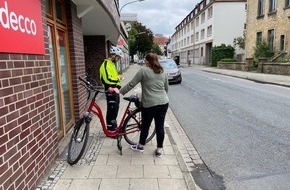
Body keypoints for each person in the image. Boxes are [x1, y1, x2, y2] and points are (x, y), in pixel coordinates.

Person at [119, 53, 169, 158]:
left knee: (145, 126)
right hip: (163, 102)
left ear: (147, 61)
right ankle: (159, 150)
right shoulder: (162, 71)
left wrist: (120, 91)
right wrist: (161, 98)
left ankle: (141, 146)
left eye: (146, 60)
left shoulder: (143, 71)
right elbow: (166, 88)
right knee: (160, 126)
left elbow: (132, 84)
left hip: (150, 104)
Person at [99, 46, 123, 131]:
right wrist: (118, 78)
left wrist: (118, 81)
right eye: (118, 57)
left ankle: (113, 126)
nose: (118, 59)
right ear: (113, 55)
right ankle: (110, 129)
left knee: (115, 109)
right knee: (111, 109)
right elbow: (107, 79)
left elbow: (112, 76)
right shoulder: (105, 64)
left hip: (115, 90)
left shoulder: (112, 65)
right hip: (110, 90)